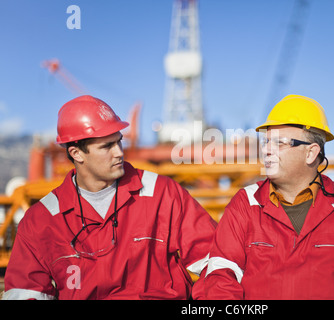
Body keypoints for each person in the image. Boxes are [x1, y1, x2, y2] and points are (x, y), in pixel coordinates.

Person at [200, 94, 334, 300]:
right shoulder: (246, 204)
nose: (266, 150)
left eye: (280, 143)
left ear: (311, 153)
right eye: (266, 141)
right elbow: (220, 278)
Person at [3, 95, 216, 300]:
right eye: (107, 146)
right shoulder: (40, 221)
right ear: (77, 153)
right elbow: (25, 292)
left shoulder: (162, 194)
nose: (119, 152)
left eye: (119, 142)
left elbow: (217, 261)